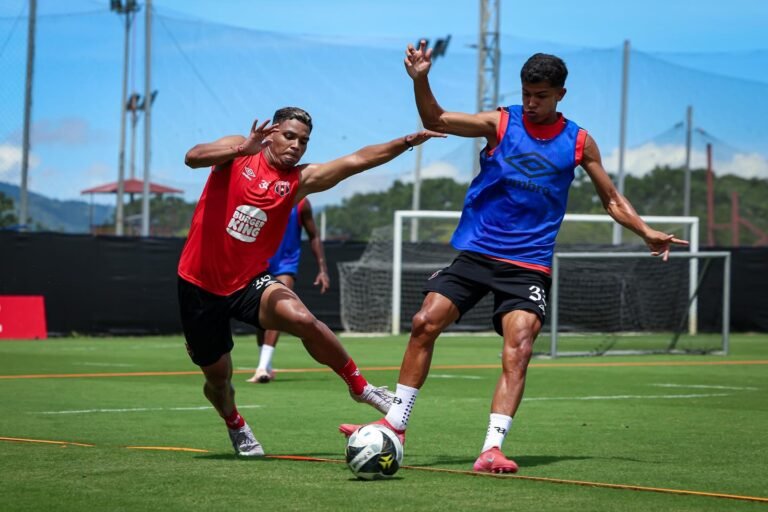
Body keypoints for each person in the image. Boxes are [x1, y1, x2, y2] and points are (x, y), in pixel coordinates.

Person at [340, 43, 689, 473]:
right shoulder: (501, 123)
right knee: (424, 321)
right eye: (526, 93)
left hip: (528, 264)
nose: (531, 102)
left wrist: (646, 231)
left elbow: (612, 199)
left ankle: (491, 449)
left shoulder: (579, 142)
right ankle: (395, 423)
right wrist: (421, 79)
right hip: (478, 253)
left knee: (519, 346)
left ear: (560, 94)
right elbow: (436, 119)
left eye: (541, 96)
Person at [178, 106, 444, 456]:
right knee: (218, 381)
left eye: (303, 141)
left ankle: (361, 388)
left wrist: (405, 141)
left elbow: (357, 161)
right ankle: (235, 423)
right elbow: (192, 157)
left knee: (302, 318)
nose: (296, 146)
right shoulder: (237, 151)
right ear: (272, 132)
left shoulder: (299, 181)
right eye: (289, 136)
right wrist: (241, 148)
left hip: (248, 282)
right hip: (198, 286)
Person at [246, 197, 329, 384]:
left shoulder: (302, 203)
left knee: (277, 310)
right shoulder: (259, 197)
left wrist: (323, 269)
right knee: (260, 318)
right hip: (260, 263)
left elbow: (314, 235)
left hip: (286, 265)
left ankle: (262, 368)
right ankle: (266, 366)